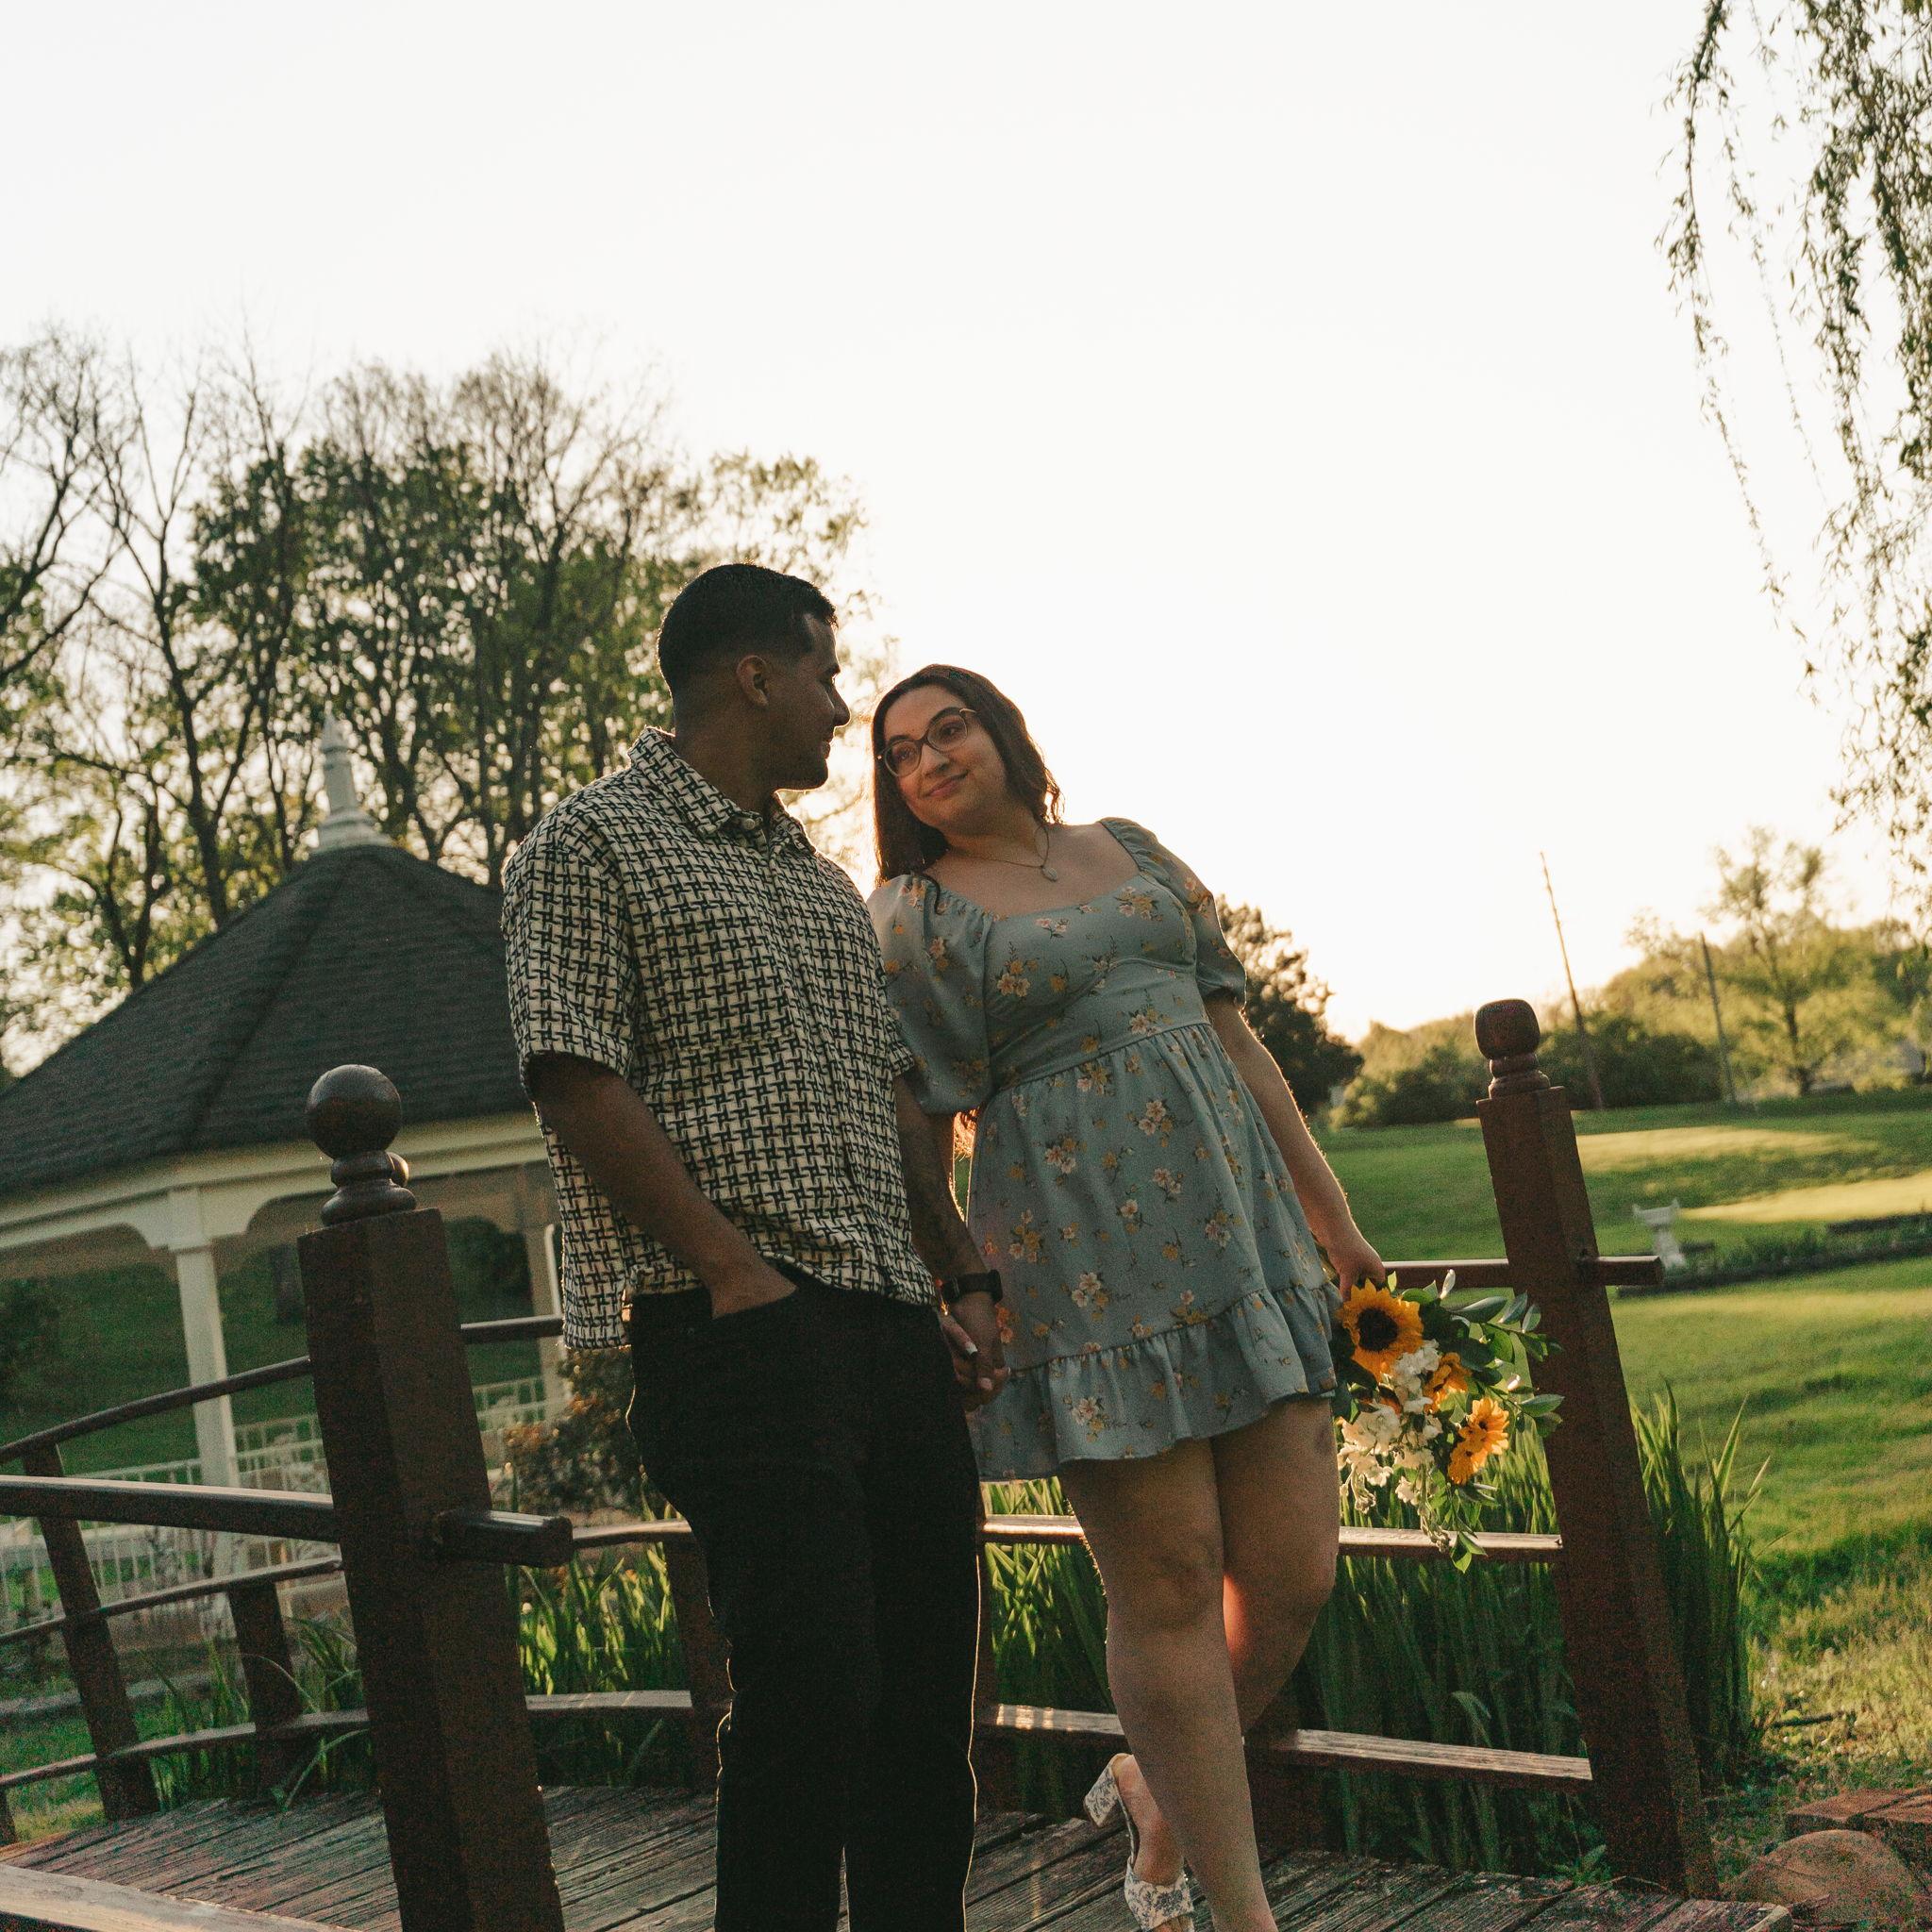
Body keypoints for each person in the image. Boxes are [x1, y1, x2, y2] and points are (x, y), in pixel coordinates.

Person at [501, 569, 1008, 1932]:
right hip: (738, 1334)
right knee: (809, 1694)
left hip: (892, 1333)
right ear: (755, 675)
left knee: (927, 1704)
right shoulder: (588, 845)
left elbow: (887, 1098)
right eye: (829, 676)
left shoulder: (823, 887)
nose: (844, 710)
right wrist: (738, 1276)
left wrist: (958, 1270)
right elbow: (574, 1075)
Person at [867, 666, 1383, 1932]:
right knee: (1168, 1583)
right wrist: (956, 1278)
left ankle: (1155, 1785)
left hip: (1240, 1240)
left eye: (947, 729)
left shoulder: (1134, 847)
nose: (927, 760)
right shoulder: (916, 916)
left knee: (1295, 1572)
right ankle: (1242, 1911)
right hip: (1076, 1261)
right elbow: (919, 1116)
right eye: (899, 753)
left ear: (1002, 731)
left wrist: (1335, 1222)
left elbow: (1239, 1040)